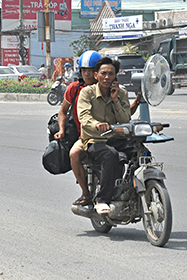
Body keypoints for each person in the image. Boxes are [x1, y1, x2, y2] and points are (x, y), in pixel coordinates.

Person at [78, 57, 131, 214]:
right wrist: (96, 124)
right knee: (111, 155)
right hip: (95, 139)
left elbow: (125, 119)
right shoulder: (86, 93)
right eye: (103, 73)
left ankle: (135, 189)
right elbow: (84, 116)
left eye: (111, 74)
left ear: (116, 76)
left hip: (117, 138)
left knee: (141, 152)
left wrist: (115, 100)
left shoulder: (121, 94)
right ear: (96, 75)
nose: (107, 77)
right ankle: (102, 199)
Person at [54, 50, 102, 206]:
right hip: (86, 136)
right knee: (74, 154)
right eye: (84, 70)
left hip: (110, 134)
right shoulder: (74, 88)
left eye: (91, 70)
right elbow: (62, 112)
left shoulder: (107, 86)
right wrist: (61, 130)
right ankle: (86, 194)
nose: (87, 74)